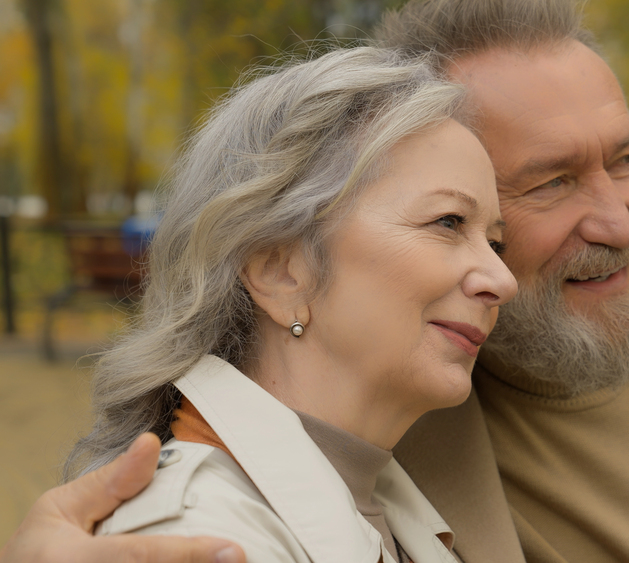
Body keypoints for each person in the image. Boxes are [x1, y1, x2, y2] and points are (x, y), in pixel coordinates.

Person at [1, 1, 629, 562]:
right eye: (551, 181)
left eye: (627, 159)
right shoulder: (373, 408)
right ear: (279, 267)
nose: (616, 218)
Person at [18, 46, 516, 563]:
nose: (503, 279)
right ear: (280, 273)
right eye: (448, 222)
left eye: (496, 243)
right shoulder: (200, 538)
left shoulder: (382, 505)